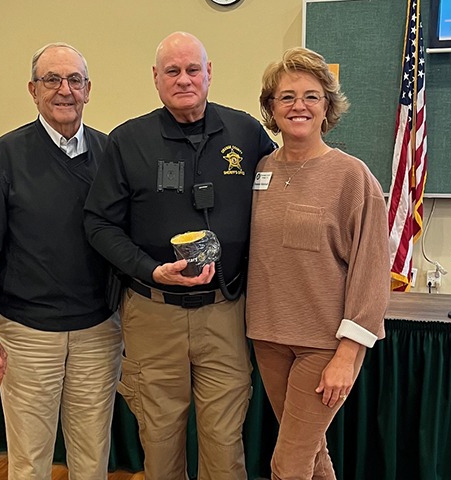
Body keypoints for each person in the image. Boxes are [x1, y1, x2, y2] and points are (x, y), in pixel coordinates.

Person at [84, 31, 274, 480]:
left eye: (193, 69)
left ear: (210, 73)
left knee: (226, 444)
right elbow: (98, 224)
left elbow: (282, 190)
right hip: (153, 315)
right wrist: (150, 269)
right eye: (173, 71)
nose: (184, 79)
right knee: (160, 439)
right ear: (156, 78)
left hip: (225, 311)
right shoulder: (128, 141)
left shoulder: (246, 131)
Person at [0, 43, 122, 480]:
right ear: (33, 90)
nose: (64, 90)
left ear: (89, 90)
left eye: (74, 80)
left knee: (92, 458)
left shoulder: (110, 156)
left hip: (99, 334)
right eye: (52, 80)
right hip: (27, 337)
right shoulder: (4, 157)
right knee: (29, 462)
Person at [247, 47, 389, 479]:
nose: (299, 106)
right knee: (312, 454)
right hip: (268, 338)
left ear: (327, 105)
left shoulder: (353, 177)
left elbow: (371, 271)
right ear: (271, 108)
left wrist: (348, 354)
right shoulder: (261, 171)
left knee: (287, 464)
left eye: (311, 96)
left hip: (322, 346)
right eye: (287, 97)